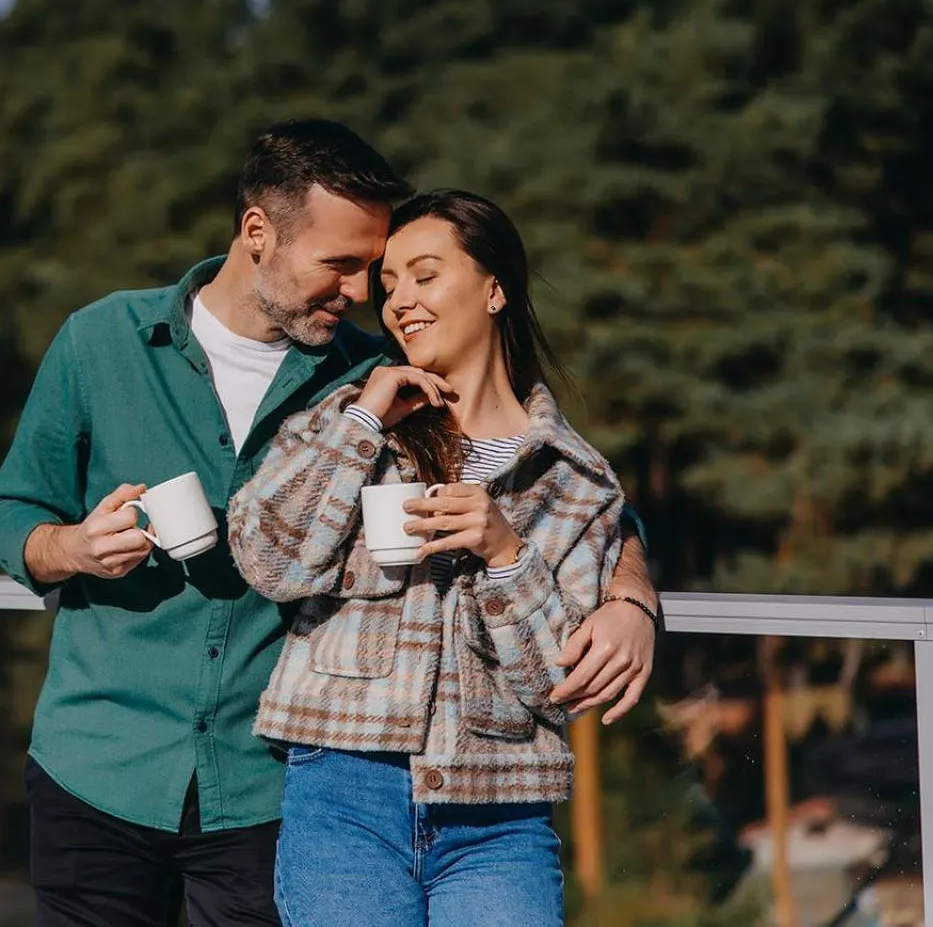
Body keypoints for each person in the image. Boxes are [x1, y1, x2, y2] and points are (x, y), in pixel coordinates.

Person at [0, 124, 659, 927]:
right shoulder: (102, 341)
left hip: (264, 788)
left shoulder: (375, 373)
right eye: (342, 265)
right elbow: (10, 512)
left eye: (376, 269)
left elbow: (568, 493)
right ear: (257, 233)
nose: (365, 292)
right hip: (98, 763)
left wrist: (633, 596)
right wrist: (71, 548)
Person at [227, 188, 651, 927]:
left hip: (500, 814)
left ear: (495, 289)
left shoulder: (574, 481)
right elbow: (266, 561)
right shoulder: (347, 417)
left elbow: (555, 686)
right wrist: (363, 421)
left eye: (425, 275)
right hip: (343, 788)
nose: (397, 303)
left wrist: (506, 554)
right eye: (389, 286)